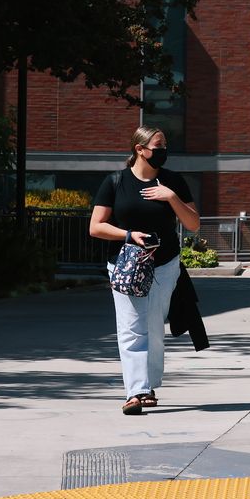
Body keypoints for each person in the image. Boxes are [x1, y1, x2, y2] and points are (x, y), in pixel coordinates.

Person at [89, 125, 199, 415]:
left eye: (165, 145)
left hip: (164, 264)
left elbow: (193, 224)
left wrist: (171, 197)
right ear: (140, 149)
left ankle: (148, 385)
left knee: (152, 327)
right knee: (131, 327)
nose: (163, 151)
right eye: (158, 145)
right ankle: (135, 391)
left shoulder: (173, 181)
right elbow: (96, 226)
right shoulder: (115, 182)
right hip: (126, 264)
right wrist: (128, 235)